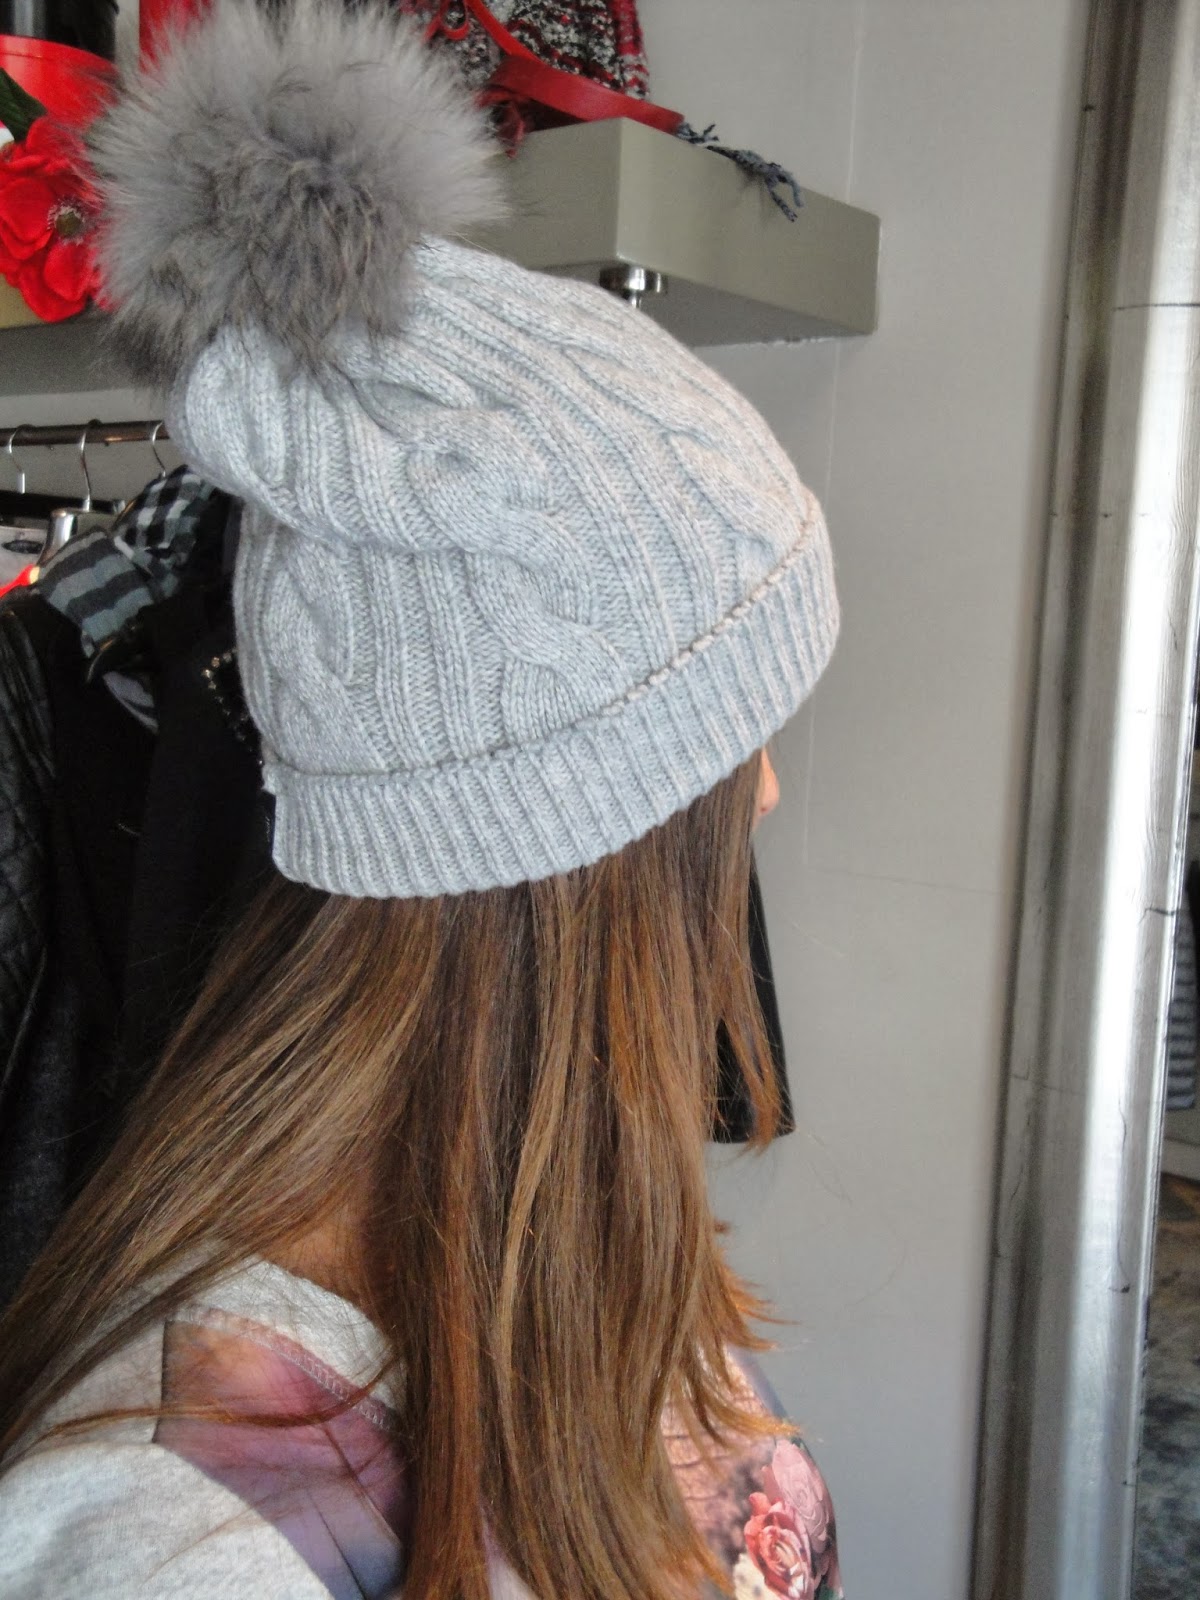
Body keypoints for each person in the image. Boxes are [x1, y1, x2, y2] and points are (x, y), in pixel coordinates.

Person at [0, 2, 843, 1597]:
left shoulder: (571, 1236)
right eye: (732, 739)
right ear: (540, 848)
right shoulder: (176, 1547)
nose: (770, 790)